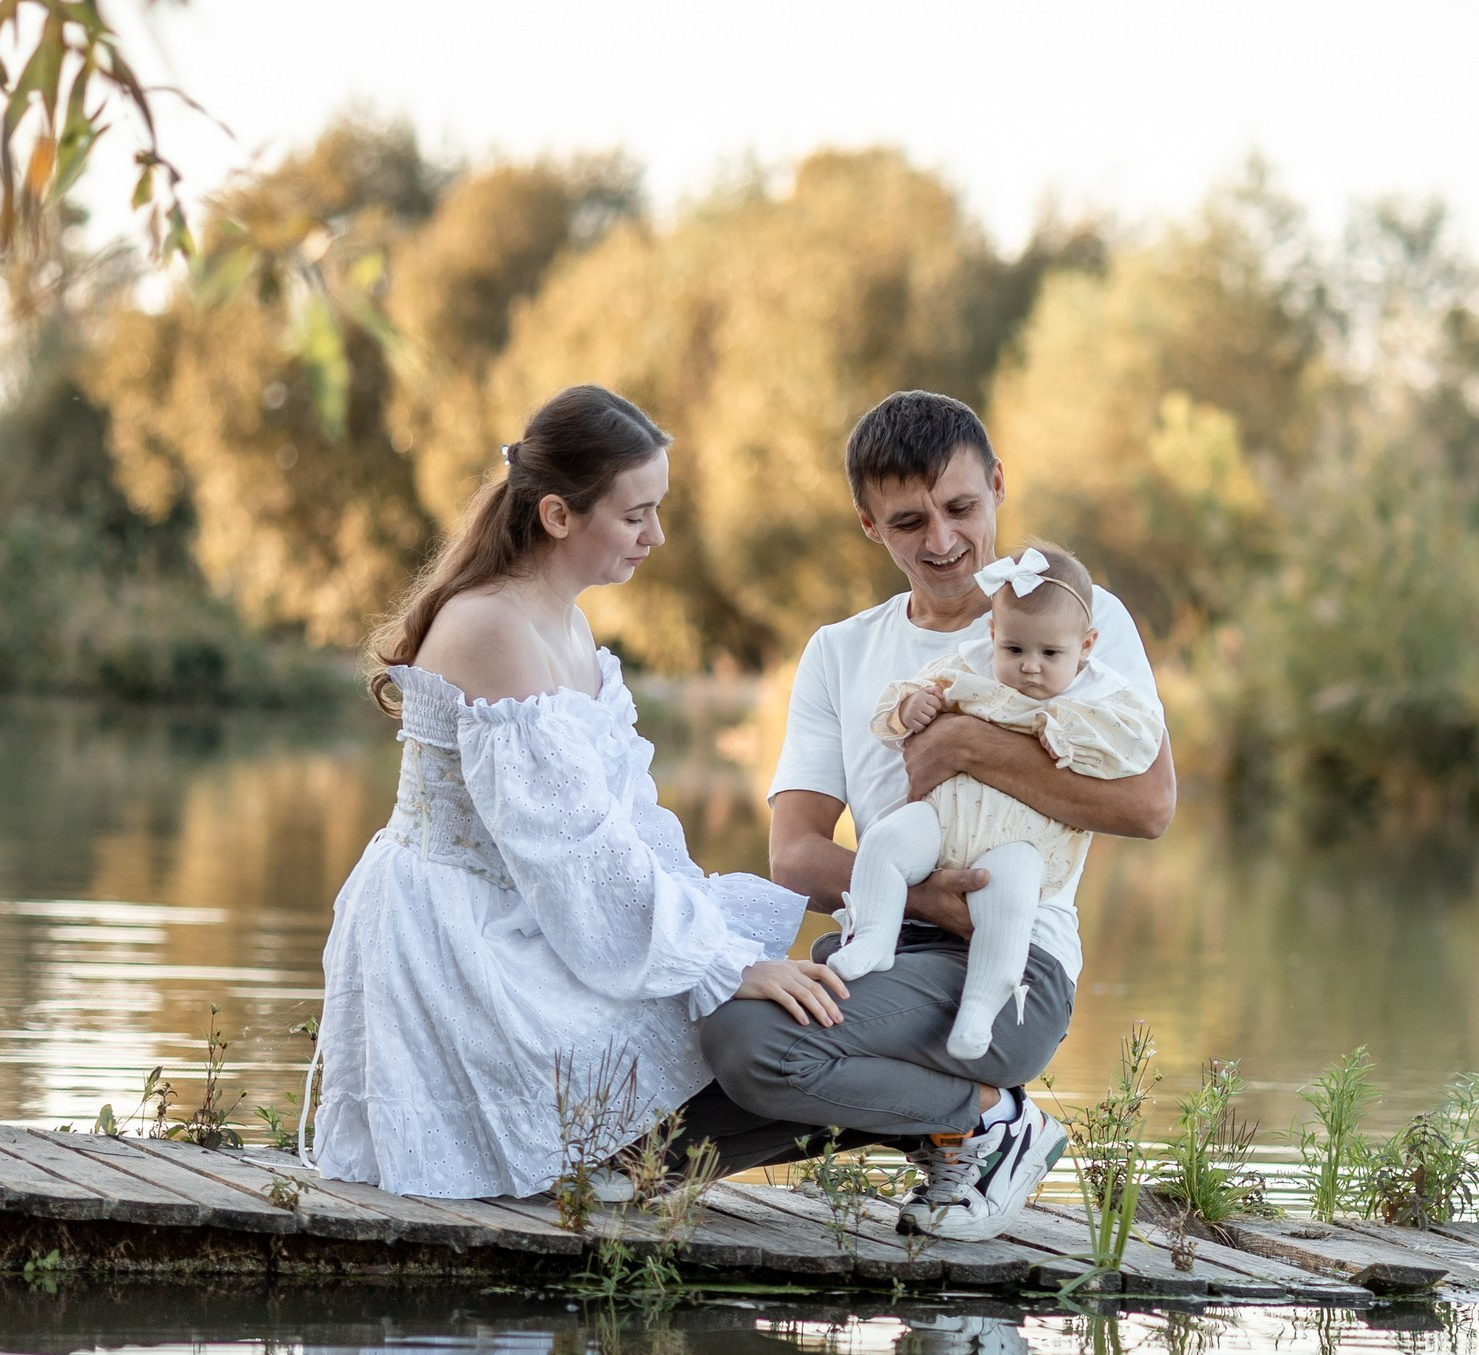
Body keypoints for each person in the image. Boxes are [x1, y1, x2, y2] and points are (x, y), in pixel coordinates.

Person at [309, 384, 841, 1201]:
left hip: (538, 905)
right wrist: (714, 965)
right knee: (705, 1008)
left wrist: (714, 937)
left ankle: (933, 1112)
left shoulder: (567, 622)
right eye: (636, 516)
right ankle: (615, 1160)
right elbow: (572, 857)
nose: (655, 536)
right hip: (464, 931)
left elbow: (623, 825)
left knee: (733, 984)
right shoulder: (492, 629)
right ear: (559, 516)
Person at [680, 391, 1176, 1241]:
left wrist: (966, 749)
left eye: (960, 508)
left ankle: (991, 1124)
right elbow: (796, 854)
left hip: (1013, 958)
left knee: (752, 1040)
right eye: (908, 521)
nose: (942, 542)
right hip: (886, 941)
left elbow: (1149, 805)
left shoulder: (1067, 619)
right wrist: (925, 897)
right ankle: (962, 1123)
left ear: (997, 486)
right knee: (641, 1139)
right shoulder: (841, 651)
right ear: (869, 524)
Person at [832, 544, 1163, 1062]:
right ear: (992, 636)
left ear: (1086, 646)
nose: (1030, 669)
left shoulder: (1100, 696)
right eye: (1014, 650)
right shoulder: (969, 667)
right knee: (883, 841)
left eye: (1050, 655)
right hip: (944, 823)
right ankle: (874, 937)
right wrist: (908, 706)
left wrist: (1069, 735)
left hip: (1017, 843)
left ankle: (981, 1010)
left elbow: (1137, 745)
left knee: (1008, 905)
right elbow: (894, 707)